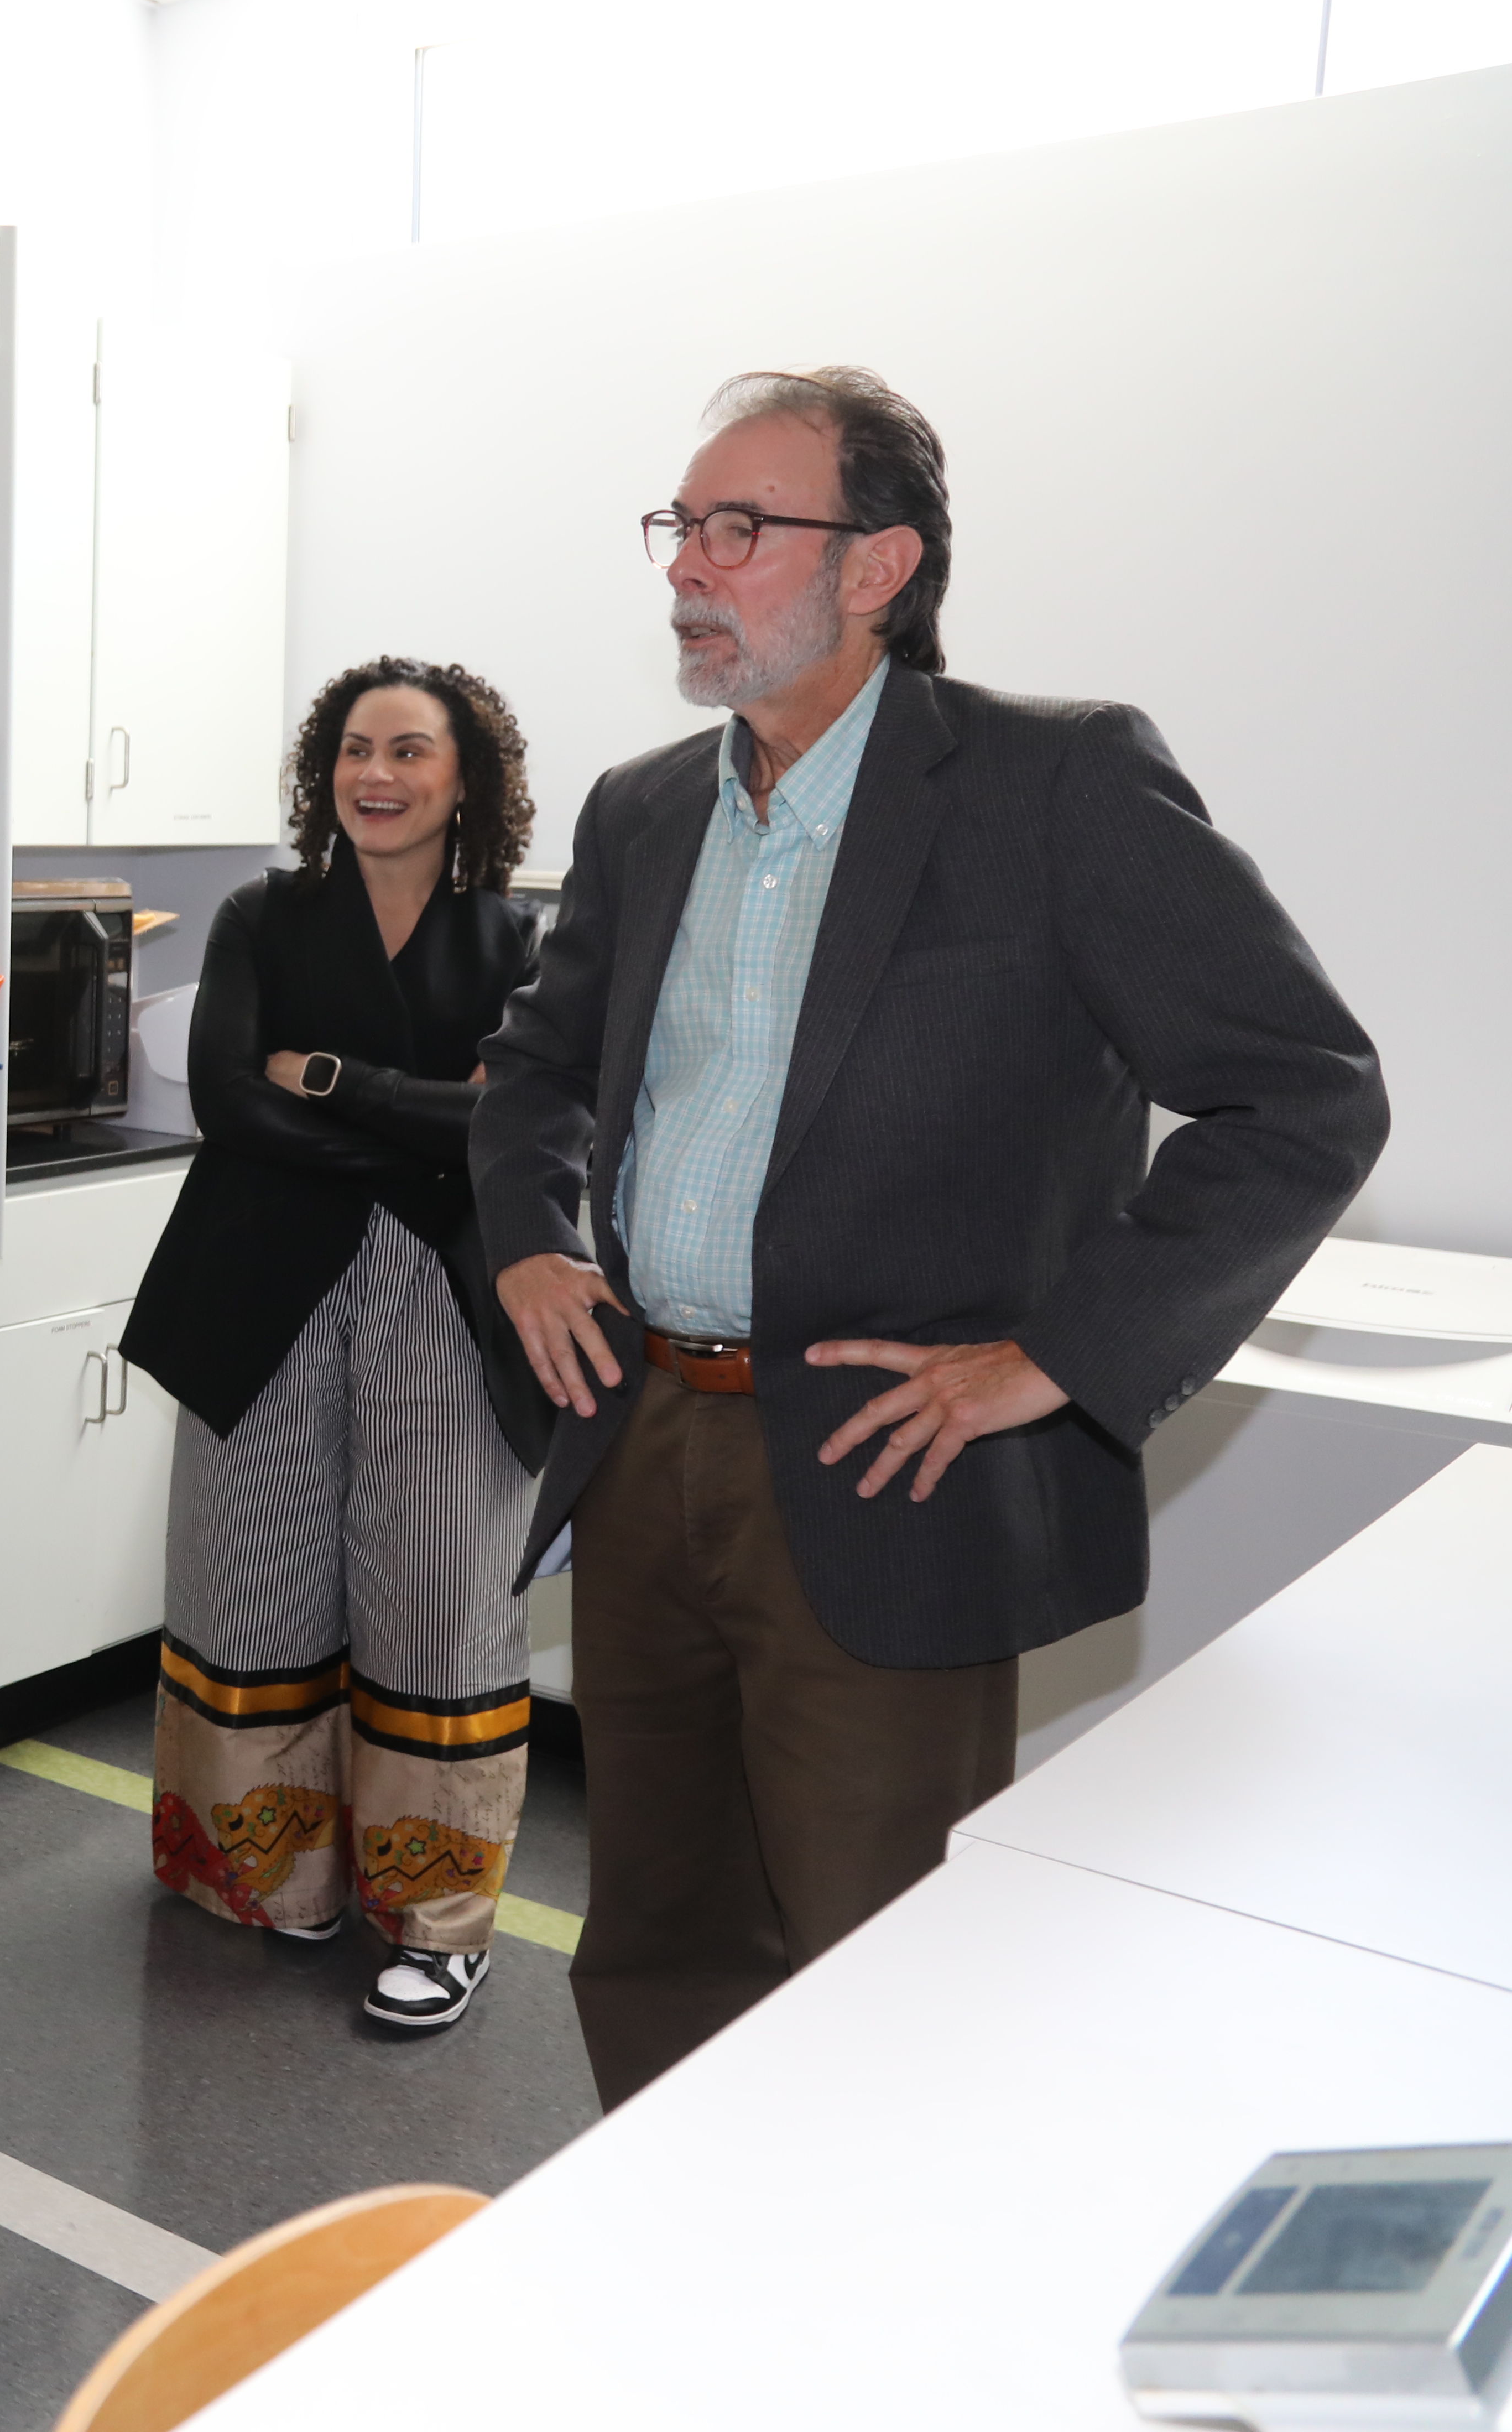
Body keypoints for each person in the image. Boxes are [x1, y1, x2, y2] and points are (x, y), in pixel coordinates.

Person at [473, 369, 1385, 2106]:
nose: (690, 565)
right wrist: (530, 1234)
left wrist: (1058, 1360)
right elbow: (533, 1068)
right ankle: (683, 2263)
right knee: (658, 1927)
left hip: (884, 1466)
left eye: (742, 529)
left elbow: (1304, 1093)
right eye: (682, 525)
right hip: (643, 1435)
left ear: (878, 564)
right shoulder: (646, 808)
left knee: (878, 1961)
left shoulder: (1055, 788)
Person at [120, 658, 552, 2031]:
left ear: (465, 776)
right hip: (259, 1277)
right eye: (356, 749)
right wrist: (419, 1118)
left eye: (411, 750)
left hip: (448, 1279)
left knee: (440, 1586)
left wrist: (338, 1081)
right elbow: (229, 1102)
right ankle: (264, 1877)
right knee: (250, 1573)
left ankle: (434, 1914)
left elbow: (520, 1118)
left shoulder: (523, 938)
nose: (378, 773)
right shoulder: (263, 913)